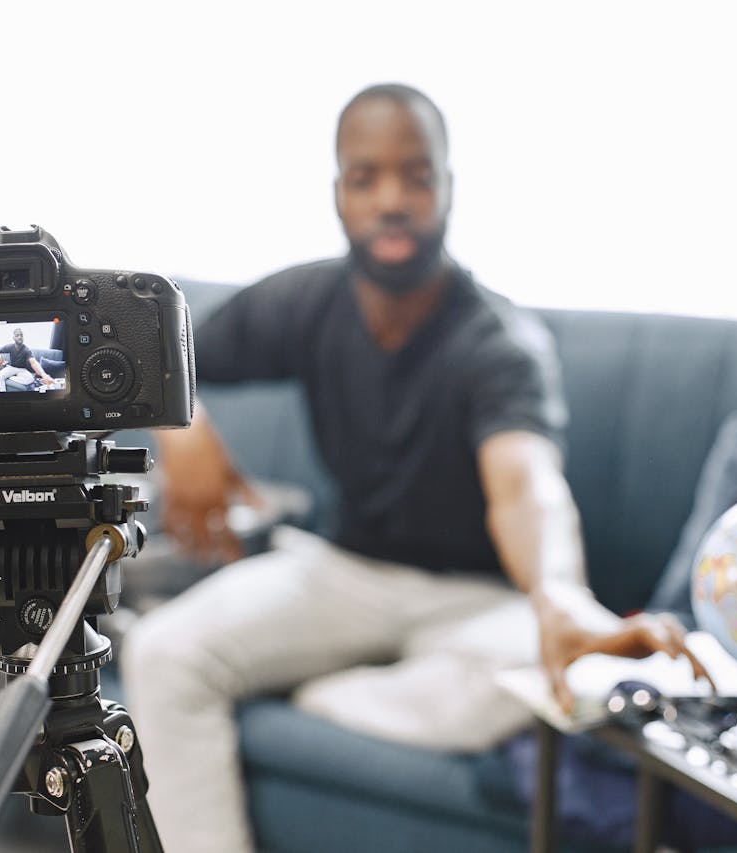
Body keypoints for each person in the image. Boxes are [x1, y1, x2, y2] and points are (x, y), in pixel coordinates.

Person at [120, 83, 706, 853]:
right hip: (340, 575)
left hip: (475, 603)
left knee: (573, 687)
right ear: (338, 193)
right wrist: (182, 426)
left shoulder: (499, 344)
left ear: (448, 188)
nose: (391, 199)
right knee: (160, 652)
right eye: (366, 178)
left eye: (416, 176)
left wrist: (560, 595)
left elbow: (526, 483)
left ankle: (325, 693)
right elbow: (156, 344)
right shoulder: (307, 299)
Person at [0, 327, 56, 391]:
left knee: (30, 380)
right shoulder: (10, 346)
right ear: (13, 338)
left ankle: (9, 377)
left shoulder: (26, 350)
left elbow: (33, 362)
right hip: (11, 368)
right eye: (17, 335)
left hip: (22, 370)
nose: (19, 337)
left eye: (21, 335)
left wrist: (44, 375)